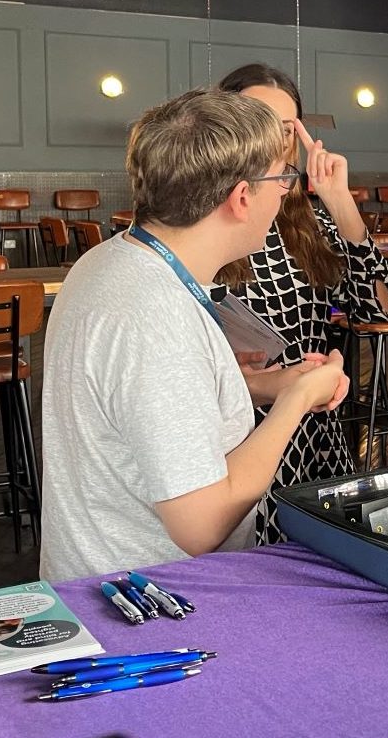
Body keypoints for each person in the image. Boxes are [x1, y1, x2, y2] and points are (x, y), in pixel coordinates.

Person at [40, 89, 349, 582]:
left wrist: (260, 385)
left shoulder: (112, 260)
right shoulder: (156, 316)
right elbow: (200, 524)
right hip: (151, 609)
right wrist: (295, 402)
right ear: (242, 198)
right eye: (283, 178)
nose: (285, 192)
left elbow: (134, 407)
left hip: (97, 582)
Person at [217, 64, 388, 539]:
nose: (276, 140)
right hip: (239, 430)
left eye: (286, 128)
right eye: (256, 119)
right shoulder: (208, 218)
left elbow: (379, 309)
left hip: (316, 431)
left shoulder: (307, 221)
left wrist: (339, 201)